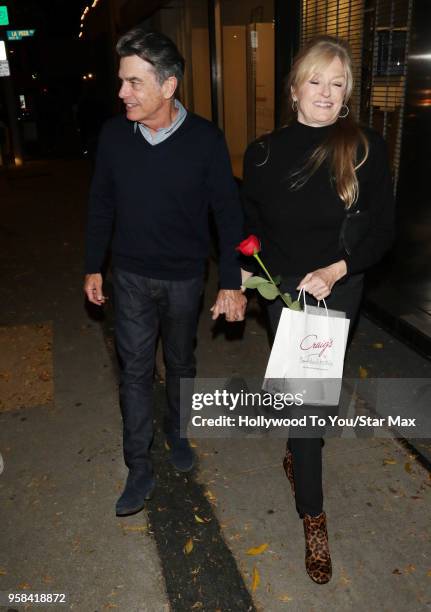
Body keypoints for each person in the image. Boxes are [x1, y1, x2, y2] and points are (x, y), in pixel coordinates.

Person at [241, 35, 394, 584]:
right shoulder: (262, 153)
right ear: (293, 88)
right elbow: (248, 222)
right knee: (304, 400)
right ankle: (307, 485)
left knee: (308, 399)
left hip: (335, 289)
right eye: (315, 81)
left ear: (348, 91)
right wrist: (244, 279)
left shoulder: (366, 149)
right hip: (283, 291)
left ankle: (306, 485)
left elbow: (381, 232)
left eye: (337, 83)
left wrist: (335, 270)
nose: (326, 94)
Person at [84, 28, 246, 517]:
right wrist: (93, 265)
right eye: (122, 81)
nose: (122, 93)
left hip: (184, 278)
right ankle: (138, 466)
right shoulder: (114, 136)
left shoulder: (205, 140)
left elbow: (228, 213)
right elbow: (101, 204)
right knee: (133, 372)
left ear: (168, 86)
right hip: (129, 276)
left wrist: (232, 280)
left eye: (133, 83)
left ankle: (179, 431)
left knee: (180, 362)